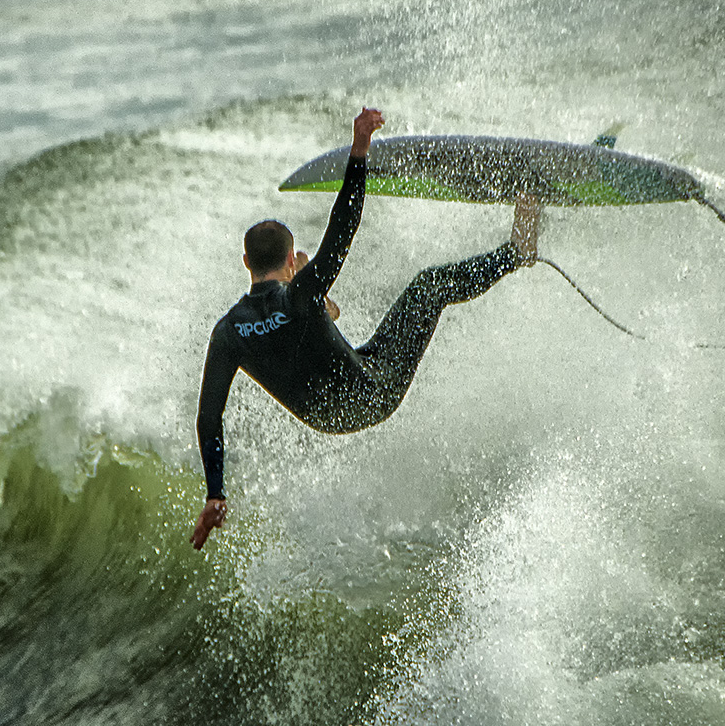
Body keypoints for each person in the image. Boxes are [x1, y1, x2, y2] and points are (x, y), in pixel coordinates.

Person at [191, 108, 541, 550]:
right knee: (428, 286)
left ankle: (329, 311)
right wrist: (359, 148)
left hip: (329, 419)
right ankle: (516, 252)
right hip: (372, 389)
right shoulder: (299, 296)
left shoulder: (229, 332)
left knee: (320, 318)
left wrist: (215, 491)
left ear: (246, 264)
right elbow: (344, 227)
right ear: (290, 258)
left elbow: (209, 418)